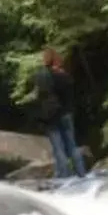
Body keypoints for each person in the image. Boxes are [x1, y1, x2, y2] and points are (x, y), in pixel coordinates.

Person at [33, 48, 86, 180]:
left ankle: (64, 177)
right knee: (72, 145)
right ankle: (82, 174)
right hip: (66, 114)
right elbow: (70, 96)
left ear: (45, 60)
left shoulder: (42, 76)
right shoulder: (65, 76)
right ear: (57, 60)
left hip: (51, 116)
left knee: (58, 148)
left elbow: (39, 96)